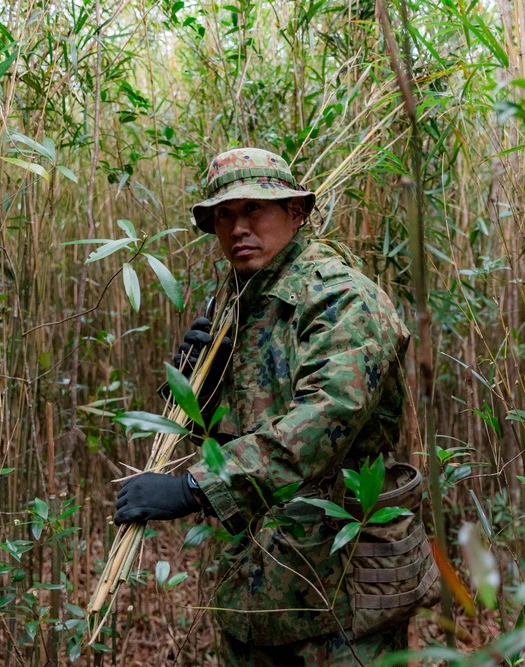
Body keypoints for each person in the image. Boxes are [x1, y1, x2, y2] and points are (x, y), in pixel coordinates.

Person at [113, 148, 413, 665]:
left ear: (296, 213)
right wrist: (199, 393)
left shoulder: (341, 299)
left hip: (341, 597)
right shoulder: (238, 303)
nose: (237, 228)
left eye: (255, 209)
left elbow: (322, 422)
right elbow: (233, 434)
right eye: (224, 215)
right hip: (258, 588)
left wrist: (192, 488)